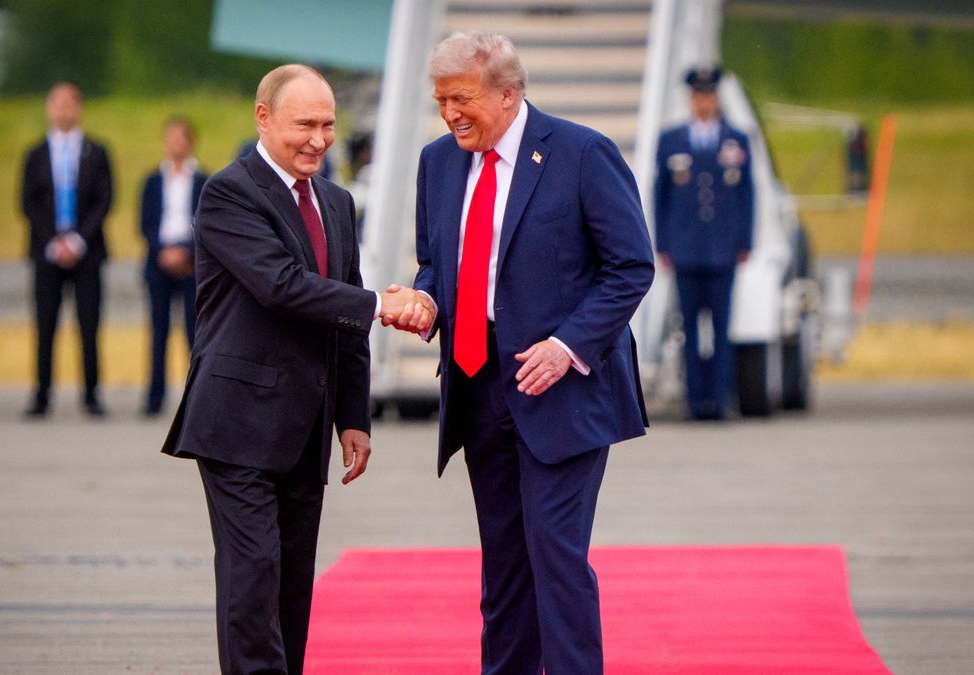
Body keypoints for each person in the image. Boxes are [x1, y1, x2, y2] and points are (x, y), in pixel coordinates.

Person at [159, 64, 430, 675]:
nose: (318, 139)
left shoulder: (335, 201)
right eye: (304, 124)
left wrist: (353, 417)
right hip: (237, 425)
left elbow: (344, 315)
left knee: (291, 592)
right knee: (251, 581)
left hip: (306, 429)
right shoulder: (229, 192)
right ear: (264, 118)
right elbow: (281, 286)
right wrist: (380, 305)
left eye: (328, 125)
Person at [402, 32, 654, 674]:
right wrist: (427, 299)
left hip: (561, 392)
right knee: (505, 565)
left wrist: (568, 345)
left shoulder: (581, 154)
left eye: (462, 99)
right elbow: (438, 262)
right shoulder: (438, 162)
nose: (450, 114)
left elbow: (630, 266)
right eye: (440, 102)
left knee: (555, 557)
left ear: (509, 94)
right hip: (477, 383)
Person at [654, 65, 754, 421]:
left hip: (723, 249)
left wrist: (744, 240)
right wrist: (663, 243)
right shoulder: (672, 140)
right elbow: (661, 195)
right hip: (685, 249)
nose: (704, 101)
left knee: (722, 328)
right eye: (698, 95)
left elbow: (745, 195)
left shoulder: (735, 140)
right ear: (690, 98)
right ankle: (695, 400)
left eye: (709, 95)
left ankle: (720, 398)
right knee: (691, 329)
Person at [20, 82, 114, 418]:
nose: (63, 110)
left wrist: (77, 240)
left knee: (89, 324)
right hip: (47, 250)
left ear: (79, 108)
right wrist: (53, 239)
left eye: (69, 103)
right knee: (45, 325)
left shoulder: (96, 151)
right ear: (49, 108)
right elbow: (28, 202)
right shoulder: (35, 154)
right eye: (57, 103)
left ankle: (91, 395)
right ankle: (42, 394)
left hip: (86, 251)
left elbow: (104, 200)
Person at [139, 116, 206, 416]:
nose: (176, 143)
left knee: (195, 334)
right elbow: (145, 223)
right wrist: (163, 252)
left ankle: (197, 399)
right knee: (158, 331)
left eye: (181, 138)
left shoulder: (203, 180)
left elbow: (205, 223)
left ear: (190, 142)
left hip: (192, 265)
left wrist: (187, 252)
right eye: (171, 137)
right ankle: (154, 398)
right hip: (159, 263)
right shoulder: (152, 180)